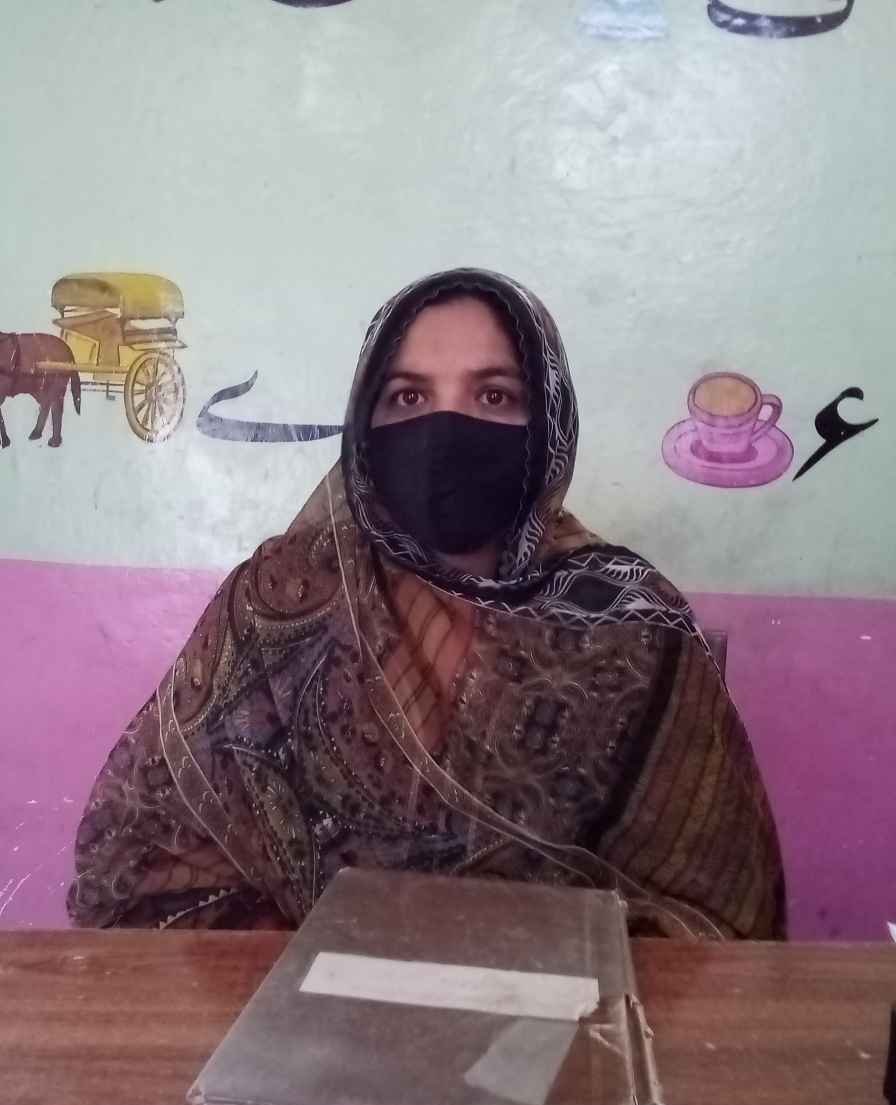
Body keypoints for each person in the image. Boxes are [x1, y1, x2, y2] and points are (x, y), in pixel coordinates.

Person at [68, 267, 786, 938]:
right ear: (364, 423)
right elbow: (140, 858)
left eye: (494, 396)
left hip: (563, 1016)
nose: (445, 434)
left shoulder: (637, 625)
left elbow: (712, 913)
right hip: (300, 1011)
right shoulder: (274, 599)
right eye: (408, 398)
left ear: (550, 423)